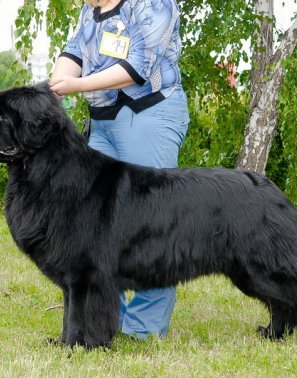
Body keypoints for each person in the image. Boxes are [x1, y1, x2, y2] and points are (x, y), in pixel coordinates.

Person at [49, 0, 189, 339]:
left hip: (149, 116)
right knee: (95, 226)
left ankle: (144, 328)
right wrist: (59, 77)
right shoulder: (91, 11)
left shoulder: (153, 4)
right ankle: (103, 321)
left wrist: (77, 86)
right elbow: (74, 52)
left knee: (151, 220)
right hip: (104, 127)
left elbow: (137, 66)